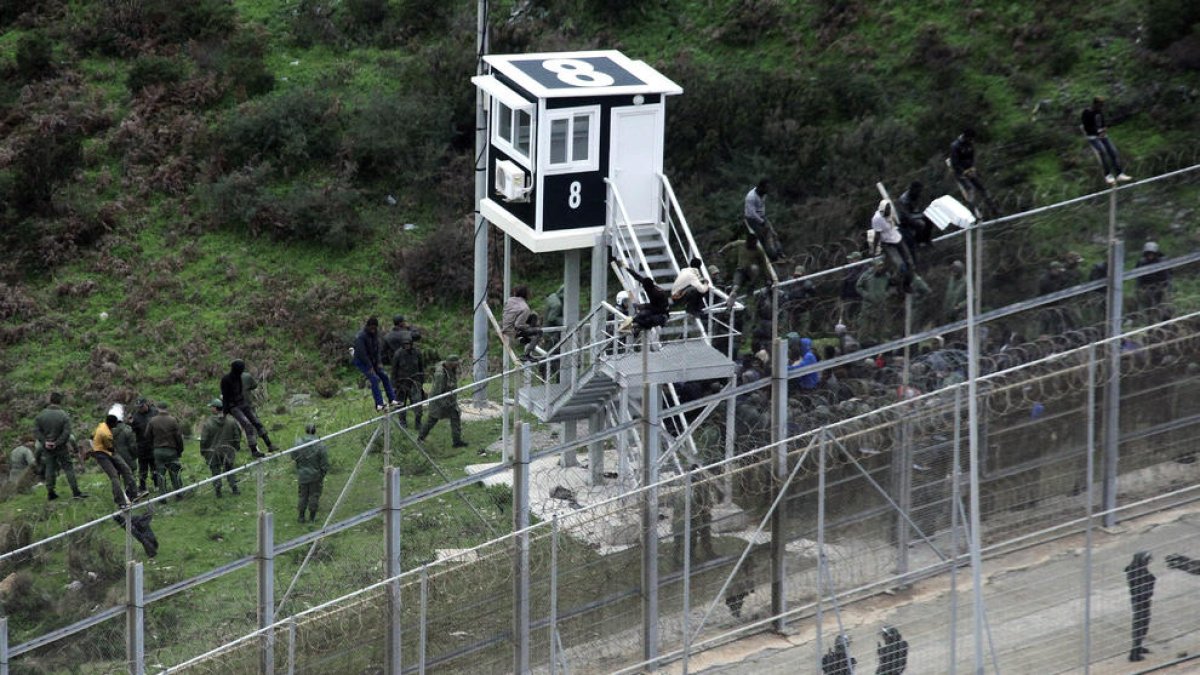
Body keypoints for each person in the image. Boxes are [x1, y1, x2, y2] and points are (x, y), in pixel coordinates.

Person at [34, 392, 86, 501]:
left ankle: (51, 492)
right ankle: (76, 492)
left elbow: (37, 432)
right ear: (60, 401)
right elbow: (67, 433)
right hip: (61, 447)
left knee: (50, 469)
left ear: (50, 400)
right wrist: (57, 443)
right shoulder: (64, 415)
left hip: (47, 447)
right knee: (68, 469)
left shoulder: (41, 415)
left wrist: (45, 442)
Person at [220, 360, 278, 457]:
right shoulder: (226, 380)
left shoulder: (239, 377)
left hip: (242, 403)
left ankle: (269, 444)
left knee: (256, 422)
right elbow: (225, 397)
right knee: (248, 425)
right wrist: (225, 412)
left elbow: (240, 392)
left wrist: (244, 404)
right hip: (233, 407)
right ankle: (254, 450)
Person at [671, 468, 723, 566]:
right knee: (688, 539)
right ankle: (685, 559)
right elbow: (691, 505)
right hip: (688, 517)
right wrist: (703, 508)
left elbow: (708, 501)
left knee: (703, 534)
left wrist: (707, 507)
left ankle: (705, 553)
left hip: (697, 515)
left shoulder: (702, 487)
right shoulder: (687, 491)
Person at [417, 355, 468, 448]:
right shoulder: (441, 374)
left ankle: (457, 441)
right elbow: (437, 392)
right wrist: (443, 404)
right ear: (451, 364)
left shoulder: (451, 370)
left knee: (455, 416)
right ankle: (420, 438)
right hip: (438, 401)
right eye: (456, 364)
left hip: (450, 400)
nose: (458, 366)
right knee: (432, 420)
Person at [89, 412, 137, 509]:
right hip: (101, 454)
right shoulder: (106, 434)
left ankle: (134, 493)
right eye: (115, 424)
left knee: (126, 469)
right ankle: (121, 501)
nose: (116, 426)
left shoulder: (102, 425)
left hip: (107, 451)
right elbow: (110, 447)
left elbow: (92, 435)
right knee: (114, 475)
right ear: (112, 424)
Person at [353, 316, 400, 412]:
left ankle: (392, 399)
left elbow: (378, 349)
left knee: (384, 376)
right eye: (372, 328)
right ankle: (379, 404)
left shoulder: (375, 335)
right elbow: (362, 354)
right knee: (374, 379)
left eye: (375, 328)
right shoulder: (360, 337)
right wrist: (370, 367)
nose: (373, 330)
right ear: (368, 326)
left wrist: (379, 362)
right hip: (362, 361)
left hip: (373, 360)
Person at [1081, 96, 1131, 185]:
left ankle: (1119, 173)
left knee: (1113, 151)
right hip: (1093, 137)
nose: (1101, 107)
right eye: (1099, 105)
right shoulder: (1087, 112)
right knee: (1103, 151)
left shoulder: (1099, 112)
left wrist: (1104, 129)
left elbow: (1103, 123)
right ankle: (1108, 175)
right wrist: (1097, 132)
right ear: (1095, 104)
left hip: (1102, 136)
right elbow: (1086, 127)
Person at [948, 128, 998, 216]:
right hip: (960, 173)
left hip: (970, 170)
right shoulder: (955, 146)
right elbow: (955, 163)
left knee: (982, 188)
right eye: (970, 139)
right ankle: (972, 211)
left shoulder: (970, 144)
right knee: (970, 189)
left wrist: (972, 168)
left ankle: (993, 208)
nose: (971, 140)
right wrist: (964, 172)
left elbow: (972, 157)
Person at [617, 260, 671, 338]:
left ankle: (636, 328)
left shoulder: (657, 294)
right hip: (654, 309)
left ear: (648, 288)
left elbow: (660, 309)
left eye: (644, 288)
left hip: (662, 314)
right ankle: (627, 328)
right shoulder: (648, 284)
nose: (643, 288)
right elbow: (637, 277)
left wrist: (644, 306)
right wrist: (626, 268)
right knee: (640, 315)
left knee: (647, 320)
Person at [199, 398, 241, 497]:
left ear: (215, 408)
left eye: (211, 407)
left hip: (213, 452)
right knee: (230, 469)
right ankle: (234, 488)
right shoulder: (231, 421)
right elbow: (237, 435)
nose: (210, 409)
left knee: (215, 471)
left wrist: (203, 451)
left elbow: (204, 440)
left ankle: (218, 491)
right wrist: (235, 447)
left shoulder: (208, 423)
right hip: (228, 450)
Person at [872, 201, 915, 294]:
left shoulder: (891, 212)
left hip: (897, 239)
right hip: (888, 243)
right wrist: (875, 250)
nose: (888, 211)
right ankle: (893, 282)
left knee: (910, 263)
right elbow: (877, 235)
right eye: (886, 210)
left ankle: (907, 284)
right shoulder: (877, 219)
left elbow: (896, 221)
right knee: (900, 266)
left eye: (889, 209)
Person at [148, 401, 185, 498]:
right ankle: (179, 493)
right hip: (171, 450)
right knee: (175, 472)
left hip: (158, 450)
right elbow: (178, 437)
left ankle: (162, 496)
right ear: (167, 408)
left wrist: (153, 447)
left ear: (158, 408)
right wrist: (180, 450)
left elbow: (147, 436)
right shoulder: (173, 420)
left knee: (161, 474)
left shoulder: (152, 421)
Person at [293, 424, 329, 524]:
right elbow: (324, 463)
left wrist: (300, 467)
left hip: (302, 474)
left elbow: (293, 456)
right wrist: (322, 474)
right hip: (315, 475)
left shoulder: (298, 443)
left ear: (306, 430)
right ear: (315, 431)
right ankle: (312, 518)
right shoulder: (320, 444)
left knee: (302, 495)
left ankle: (301, 517)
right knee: (314, 495)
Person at [389, 331, 425, 428]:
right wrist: (393, 385)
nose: (407, 346)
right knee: (401, 404)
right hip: (401, 383)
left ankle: (418, 423)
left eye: (408, 344)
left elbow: (421, 367)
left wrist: (421, 382)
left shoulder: (417, 353)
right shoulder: (398, 354)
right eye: (405, 344)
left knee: (417, 403)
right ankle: (402, 422)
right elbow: (393, 371)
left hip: (415, 382)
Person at [501, 286, 544, 362]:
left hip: (505, 326)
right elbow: (518, 325)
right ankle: (527, 355)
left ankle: (527, 339)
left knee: (533, 315)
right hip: (512, 332)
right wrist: (528, 327)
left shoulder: (510, 300)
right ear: (526, 295)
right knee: (539, 332)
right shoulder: (525, 308)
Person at [1126, 551, 1155, 662]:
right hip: (1140, 602)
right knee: (1140, 625)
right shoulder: (1136, 572)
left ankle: (1138, 647)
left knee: (1144, 624)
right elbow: (1140, 589)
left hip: (1143, 601)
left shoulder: (1138, 570)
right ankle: (1134, 653)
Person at [743, 179, 782, 261]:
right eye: (766, 188)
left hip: (761, 216)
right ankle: (771, 257)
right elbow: (752, 213)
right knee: (762, 237)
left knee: (773, 233)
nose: (768, 190)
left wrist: (764, 218)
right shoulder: (751, 197)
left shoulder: (763, 194)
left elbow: (762, 206)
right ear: (761, 187)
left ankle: (779, 252)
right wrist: (762, 222)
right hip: (752, 219)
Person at [1136, 241, 1172, 321]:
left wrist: (1166, 287)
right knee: (1150, 308)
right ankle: (1151, 324)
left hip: (1161, 287)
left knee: (1164, 307)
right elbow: (1138, 277)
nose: (1150, 256)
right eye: (1148, 254)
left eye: (1152, 254)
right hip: (1148, 288)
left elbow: (1168, 275)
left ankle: (1165, 323)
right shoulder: (1142, 263)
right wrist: (1140, 288)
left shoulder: (1162, 261)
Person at [130, 398, 159, 492]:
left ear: (146, 404)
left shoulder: (155, 412)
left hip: (154, 444)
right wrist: (130, 424)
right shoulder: (135, 416)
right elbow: (132, 430)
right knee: (142, 468)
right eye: (138, 407)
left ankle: (157, 484)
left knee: (155, 466)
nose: (140, 409)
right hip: (141, 446)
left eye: (142, 406)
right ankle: (142, 487)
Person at [943, 260, 967, 325]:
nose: (953, 272)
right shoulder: (951, 279)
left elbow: (972, 297)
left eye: (956, 270)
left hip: (959, 315)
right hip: (948, 314)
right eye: (953, 269)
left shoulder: (965, 282)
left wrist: (959, 306)